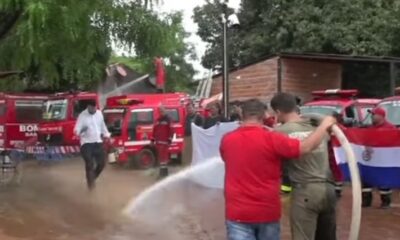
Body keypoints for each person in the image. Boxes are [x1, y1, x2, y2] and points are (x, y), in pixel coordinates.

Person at [220, 98, 337, 240]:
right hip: (267, 212)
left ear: (241, 115)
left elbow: (229, 158)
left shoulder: (227, 140)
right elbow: (305, 147)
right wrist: (323, 125)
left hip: (237, 213)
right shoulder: (273, 139)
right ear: (264, 115)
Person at [271, 93, 337, 240]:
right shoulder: (319, 128)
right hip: (329, 190)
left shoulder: (279, 132)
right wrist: (325, 123)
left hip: (305, 192)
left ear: (277, 112)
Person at [362, 107, 397, 208]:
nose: (372, 116)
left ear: (381, 116)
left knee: (384, 182)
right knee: (366, 181)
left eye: (374, 114)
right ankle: (366, 201)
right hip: (371, 160)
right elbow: (365, 141)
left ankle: (385, 202)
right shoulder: (370, 129)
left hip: (384, 161)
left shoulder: (390, 129)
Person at [74, 100, 110, 190]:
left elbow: (103, 127)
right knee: (89, 163)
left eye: (95, 108)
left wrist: (107, 135)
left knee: (102, 163)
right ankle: (91, 187)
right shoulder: (82, 116)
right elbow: (76, 130)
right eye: (91, 108)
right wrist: (81, 130)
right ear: (88, 107)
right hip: (86, 144)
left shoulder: (99, 114)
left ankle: (92, 178)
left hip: (98, 142)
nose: (93, 110)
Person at [153, 105, 174, 178]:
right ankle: (163, 174)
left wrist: (169, 139)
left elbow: (171, 130)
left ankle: (164, 174)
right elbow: (154, 130)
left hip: (165, 142)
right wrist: (153, 139)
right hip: (158, 142)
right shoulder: (158, 120)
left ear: (165, 110)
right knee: (161, 159)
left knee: (164, 159)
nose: (161, 112)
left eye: (162, 110)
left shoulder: (168, 119)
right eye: (160, 111)